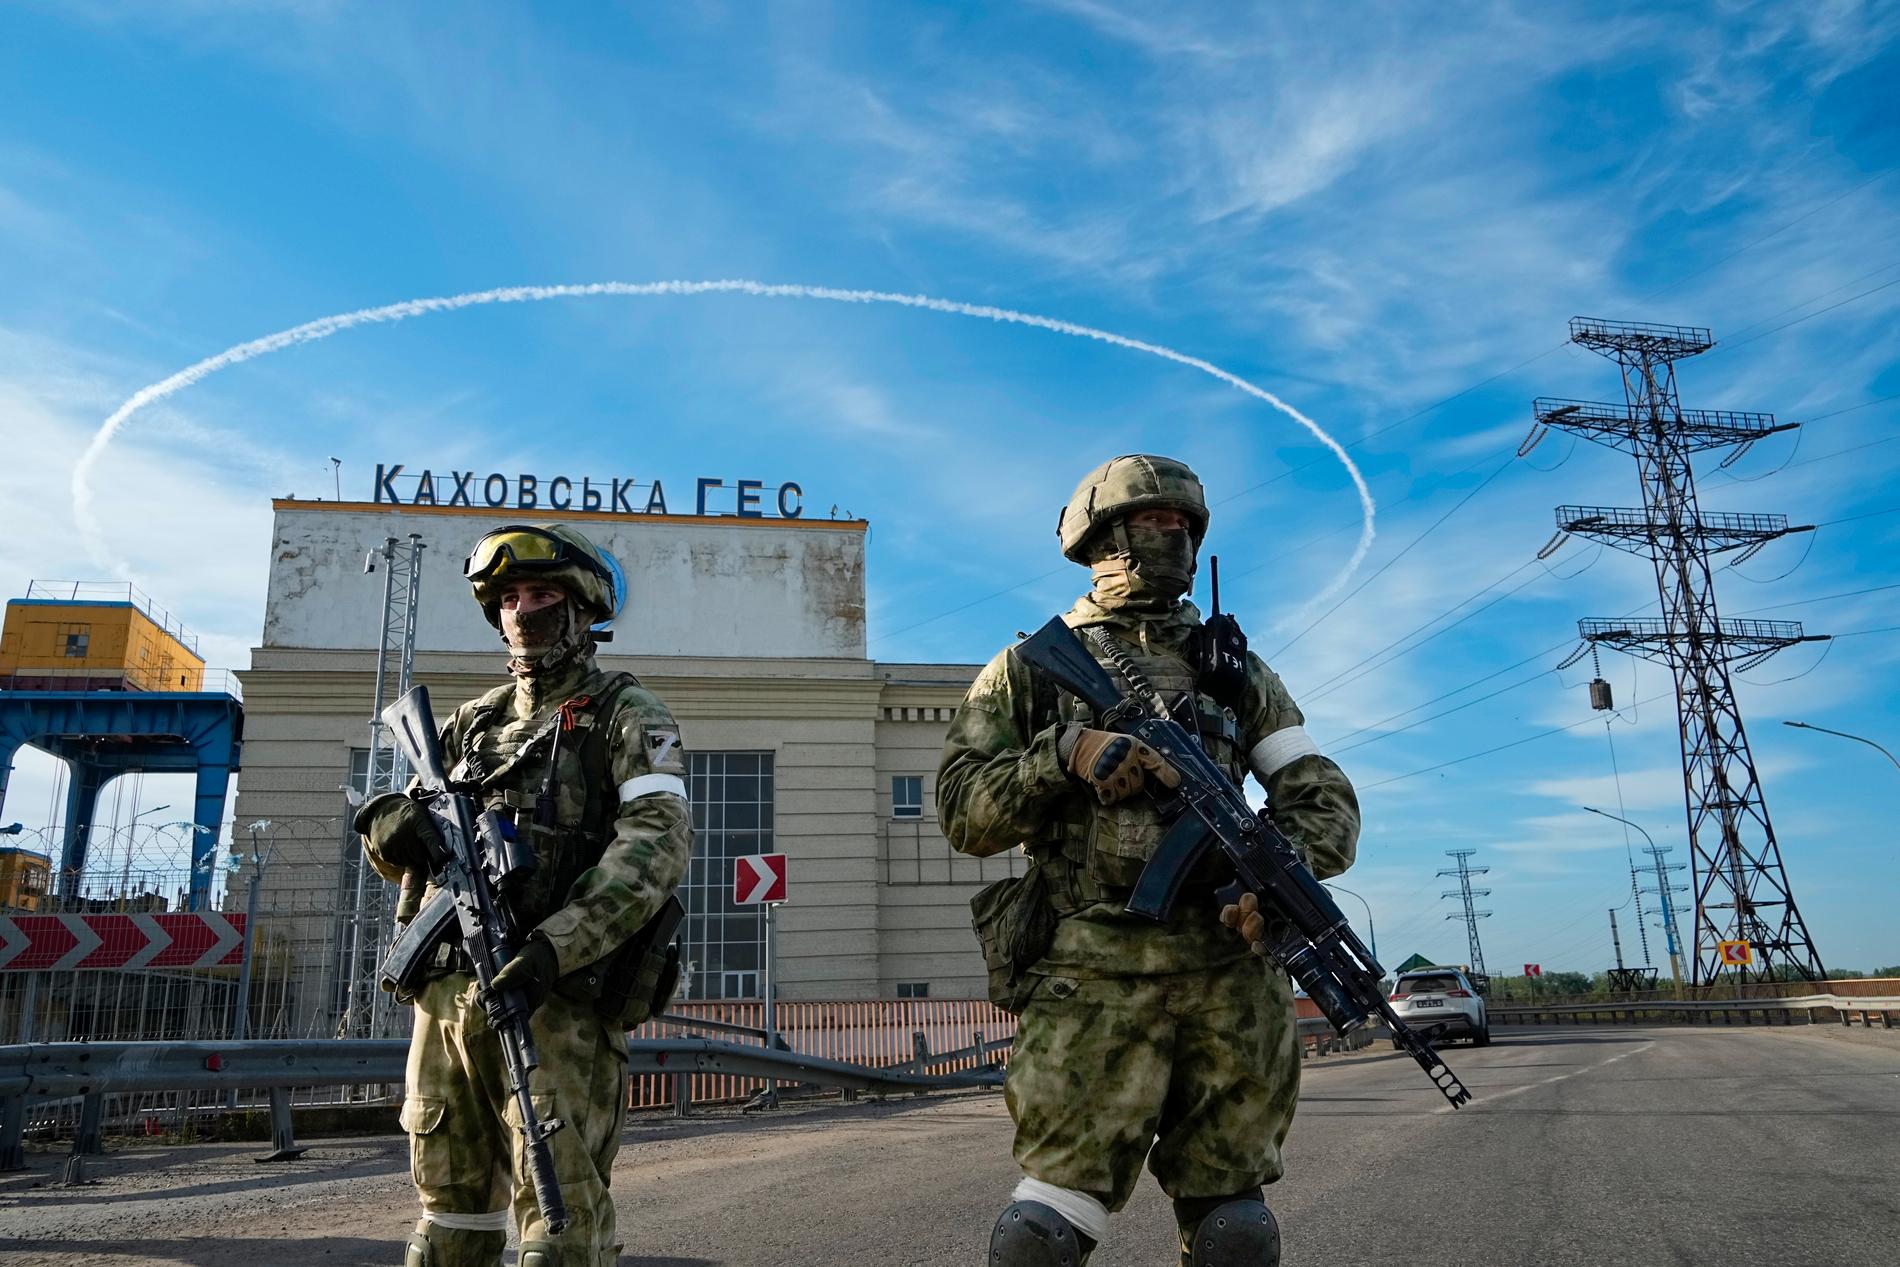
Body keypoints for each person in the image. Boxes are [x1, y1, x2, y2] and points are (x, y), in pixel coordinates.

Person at [938, 455, 1361, 1267]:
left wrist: (1279, 876)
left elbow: (1321, 795)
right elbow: (962, 809)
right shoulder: (1029, 668)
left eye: (1184, 526)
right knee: (1042, 1236)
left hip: (1227, 974)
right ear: (1104, 537)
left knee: (1237, 1231)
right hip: (1093, 975)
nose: (1173, 537)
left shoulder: (1235, 671)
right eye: (1154, 522)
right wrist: (1060, 755)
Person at [354, 523, 694, 1267]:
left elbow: (654, 846)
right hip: (447, 1001)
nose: (522, 609)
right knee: (448, 1226)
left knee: (559, 1229)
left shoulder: (627, 715)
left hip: (556, 1002)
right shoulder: (470, 724)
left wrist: (555, 945)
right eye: (508, 597)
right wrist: (391, 827)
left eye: (540, 593)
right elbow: (396, 844)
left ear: (580, 609)